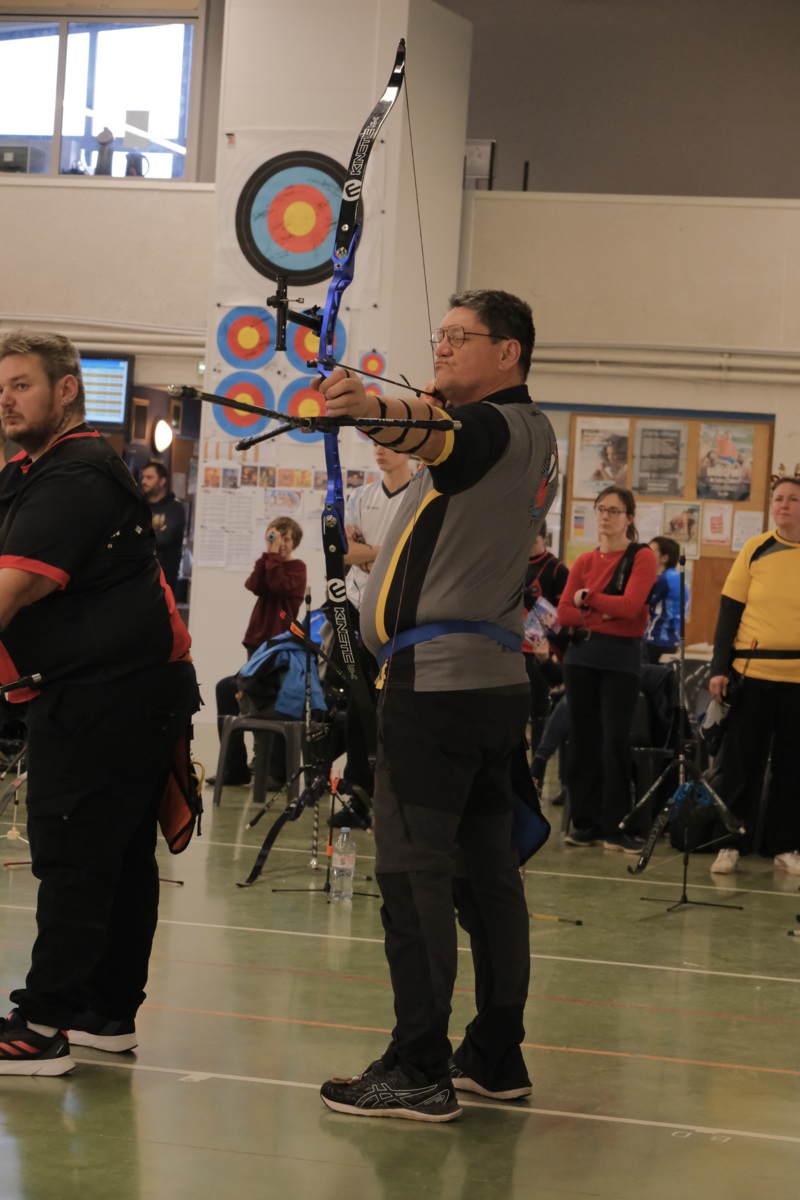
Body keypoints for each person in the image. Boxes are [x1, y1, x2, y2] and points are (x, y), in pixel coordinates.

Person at [315, 289, 558, 1123]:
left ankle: (419, 1065)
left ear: (509, 353)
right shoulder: (524, 435)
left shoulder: (493, 429)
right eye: (440, 335)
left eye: (461, 337)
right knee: (485, 872)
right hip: (484, 688)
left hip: (438, 691)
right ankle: (493, 1053)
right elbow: (441, 442)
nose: (443, 347)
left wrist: (370, 407)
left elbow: (444, 433)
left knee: (412, 870)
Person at [0, 331, 198, 1076]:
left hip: (106, 693)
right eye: (0, 388)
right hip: (129, 689)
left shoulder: (75, 474)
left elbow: (12, 590)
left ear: (67, 389)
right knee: (117, 854)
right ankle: (104, 1012)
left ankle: (42, 1024)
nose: (6, 400)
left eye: (21, 385)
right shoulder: (39, 470)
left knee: (75, 850)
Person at [708, 475, 800, 876]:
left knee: (792, 767)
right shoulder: (755, 549)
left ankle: (786, 847)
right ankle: (730, 844)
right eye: (778, 498)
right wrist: (719, 669)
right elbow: (729, 612)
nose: (784, 505)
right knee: (741, 766)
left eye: (793, 499)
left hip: (797, 681)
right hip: (752, 676)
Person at [556, 487, 657, 853]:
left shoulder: (641, 557)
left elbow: (630, 607)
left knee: (614, 742)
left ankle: (617, 827)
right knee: (583, 740)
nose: (605, 516)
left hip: (620, 661)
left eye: (614, 511)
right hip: (581, 658)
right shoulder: (584, 561)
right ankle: (586, 824)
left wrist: (589, 599)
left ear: (629, 518)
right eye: (601, 509)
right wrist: (602, 613)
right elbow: (563, 613)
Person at [335, 443, 414, 824]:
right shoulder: (360, 497)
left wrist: (370, 552)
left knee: (396, 704)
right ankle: (358, 794)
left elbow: (412, 553)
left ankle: (395, 797)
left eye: (390, 444)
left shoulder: (420, 495)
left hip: (398, 611)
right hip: (357, 605)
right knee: (358, 703)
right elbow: (345, 553)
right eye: (376, 443)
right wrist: (383, 551)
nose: (381, 450)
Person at [213, 517, 306, 787]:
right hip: (257, 646)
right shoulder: (268, 563)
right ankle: (234, 768)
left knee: (270, 701)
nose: (281, 543)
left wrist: (271, 556)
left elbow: (279, 585)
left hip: (279, 650)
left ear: (295, 543)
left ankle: (276, 771)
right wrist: (267, 555)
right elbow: (254, 585)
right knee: (229, 692)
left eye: (287, 539)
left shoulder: (297, 568)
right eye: (276, 537)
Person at [522, 521, 568, 763]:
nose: (529, 544)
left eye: (534, 538)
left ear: (543, 537)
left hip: (540, 651)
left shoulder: (557, 569)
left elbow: (563, 618)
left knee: (539, 709)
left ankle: (536, 768)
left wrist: (534, 608)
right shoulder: (515, 564)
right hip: (512, 647)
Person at [139, 460, 186, 592]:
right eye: (143, 477)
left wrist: (140, 532)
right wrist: (155, 531)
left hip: (165, 577)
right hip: (139, 573)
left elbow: (164, 538)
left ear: (162, 481)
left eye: (149, 477)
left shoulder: (175, 509)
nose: (144, 481)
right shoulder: (139, 506)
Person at [644, 535, 688, 662]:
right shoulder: (676, 577)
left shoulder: (664, 580)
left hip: (656, 640)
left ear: (664, 558)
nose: (645, 555)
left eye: (650, 552)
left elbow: (638, 604)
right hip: (672, 640)